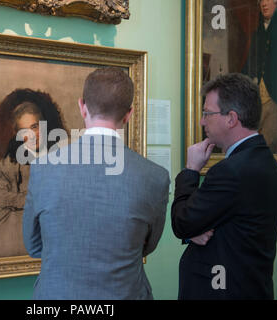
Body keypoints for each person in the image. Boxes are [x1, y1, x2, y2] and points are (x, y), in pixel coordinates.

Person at [23, 67, 170, 300]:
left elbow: (33, 245)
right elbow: (146, 247)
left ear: (82, 106)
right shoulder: (155, 176)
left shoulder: (43, 169)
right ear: (128, 114)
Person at [172, 73, 277, 300]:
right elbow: (224, 221)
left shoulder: (231, 171)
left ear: (231, 118)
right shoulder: (266, 162)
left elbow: (182, 222)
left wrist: (190, 171)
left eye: (207, 114)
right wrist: (194, 231)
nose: (202, 121)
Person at [0, 89, 67, 233]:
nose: (32, 136)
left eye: (34, 127)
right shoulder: (13, 163)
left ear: (43, 125)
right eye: (24, 131)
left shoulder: (64, 153)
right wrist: (23, 200)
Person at [242, 0, 277, 152]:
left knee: (268, 144)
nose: (264, 4)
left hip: (275, 98)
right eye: (261, 1)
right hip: (256, 99)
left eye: (268, 0)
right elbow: (249, 65)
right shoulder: (257, 33)